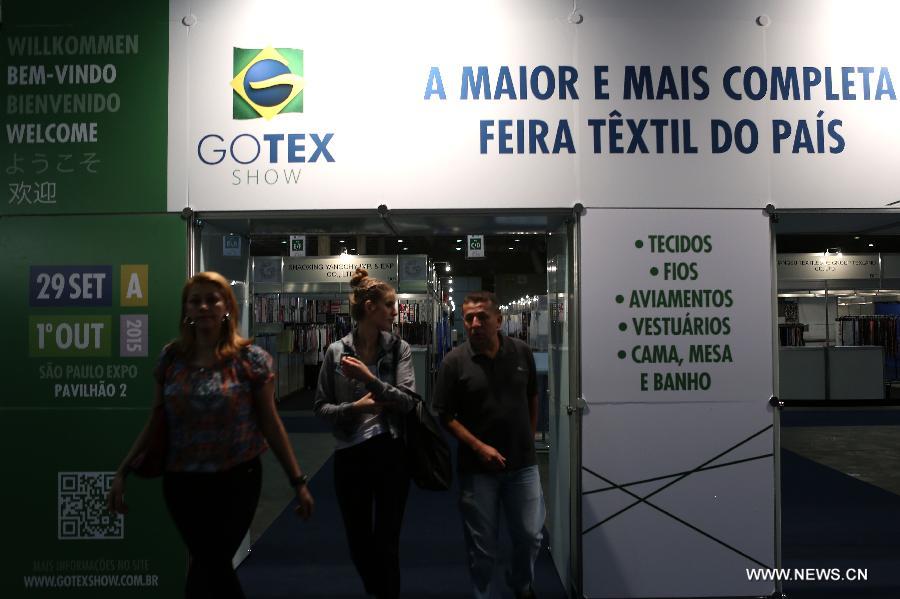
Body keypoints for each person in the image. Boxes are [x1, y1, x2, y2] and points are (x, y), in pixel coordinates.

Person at [107, 271, 314, 599]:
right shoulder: (171, 358)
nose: (204, 306)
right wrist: (123, 469)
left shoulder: (250, 360)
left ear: (227, 306)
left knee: (210, 563)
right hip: (183, 482)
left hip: (237, 479)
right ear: (185, 309)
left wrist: (297, 481)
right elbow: (157, 420)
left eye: (212, 299)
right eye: (195, 300)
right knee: (209, 563)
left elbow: (270, 423)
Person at [313, 267, 417, 599]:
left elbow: (408, 403)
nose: (394, 312)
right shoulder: (335, 352)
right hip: (350, 455)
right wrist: (355, 408)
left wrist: (371, 380)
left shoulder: (399, 349)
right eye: (389, 305)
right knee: (358, 541)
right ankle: (380, 591)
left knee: (387, 542)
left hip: (391, 452)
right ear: (370, 307)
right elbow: (320, 408)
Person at [433, 291, 545, 599]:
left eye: (482, 316)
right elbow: (444, 415)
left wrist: (529, 437)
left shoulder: (521, 352)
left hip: (523, 466)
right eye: (469, 318)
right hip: (477, 470)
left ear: (498, 320)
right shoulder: (454, 362)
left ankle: (521, 585)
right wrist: (479, 447)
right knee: (482, 549)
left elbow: (532, 396)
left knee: (531, 536)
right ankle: (483, 594)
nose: (475, 323)